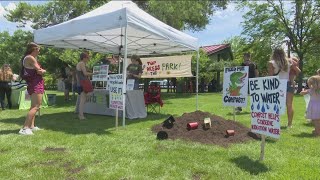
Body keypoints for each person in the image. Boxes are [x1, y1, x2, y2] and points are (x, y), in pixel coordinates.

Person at [267, 47, 300, 128]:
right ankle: (289, 124)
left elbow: (271, 76)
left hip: (276, 84)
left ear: (274, 53)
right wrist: (293, 78)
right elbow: (298, 71)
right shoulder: (289, 61)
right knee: (289, 104)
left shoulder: (271, 63)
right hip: (288, 83)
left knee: (274, 104)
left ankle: (275, 122)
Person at [19, 42, 46, 135]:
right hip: (35, 84)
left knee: (33, 106)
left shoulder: (28, 57)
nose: (39, 51)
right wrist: (44, 71)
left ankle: (32, 126)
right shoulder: (30, 57)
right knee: (36, 106)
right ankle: (25, 128)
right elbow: (40, 71)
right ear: (33, 49)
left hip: (33, 83)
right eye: (38, 49)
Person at [75, 52, 94, 120]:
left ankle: (81, 114)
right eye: (87, 58)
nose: (88, 59)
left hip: (81, 83)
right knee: (83, 99)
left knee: (83, 99)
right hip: (83, 83)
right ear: (84, 58)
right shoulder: (82, 63)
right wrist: (94, 73)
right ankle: (81, 115)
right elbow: (85, 73)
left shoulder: (80, 63)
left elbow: (78, 74)